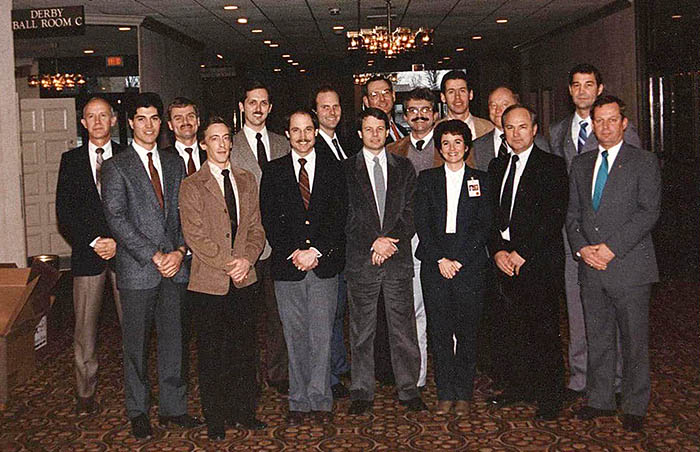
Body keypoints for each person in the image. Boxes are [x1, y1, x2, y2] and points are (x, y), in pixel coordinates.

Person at [101, 92, 200, 439]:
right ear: (130, 123)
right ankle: (138, 410)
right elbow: (116, 218)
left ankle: (174, 408)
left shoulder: (174, 163)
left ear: (162, 124)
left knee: (175, 341)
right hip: (138, 269)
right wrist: (154, 255)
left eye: (154, 118)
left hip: (175, 267)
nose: (148, 125)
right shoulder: (116, 166)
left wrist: (180, 251)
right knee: (136, 346)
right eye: (141, 119)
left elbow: (186, 214)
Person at [567, 95, 660, 433]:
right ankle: (599, 399)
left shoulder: (644, 161)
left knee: (634, 340)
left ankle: (635, 404)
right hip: (590, 265)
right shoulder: (581, 163)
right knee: (598, 336)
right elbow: (573, 215)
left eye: (611, 120)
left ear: (624, 123)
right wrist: (582, 250)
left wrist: (610, 249)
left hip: (629, 267)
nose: (605, 127)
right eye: (599, 121)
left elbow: (648, 212)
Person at [549, 64, 642, 400]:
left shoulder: (623, 132)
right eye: (577, 85)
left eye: (590, 85)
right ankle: (580, 378)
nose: (583, 91)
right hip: (574, 238)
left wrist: (610, 245)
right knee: (577, 310)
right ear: (569, 91)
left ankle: (615, 381)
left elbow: (635, 191)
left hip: (613, 245)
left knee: (613, 315)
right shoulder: (557, 131)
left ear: (600, 88)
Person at [179, 117, 267, 440]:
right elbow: (195, 235)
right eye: (214, 139)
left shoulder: (246, 180)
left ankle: (244, 412)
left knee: (244, 351)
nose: (221, 144)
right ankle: (215, 418)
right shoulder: (191, 185)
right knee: (212, 354)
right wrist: (230, 262)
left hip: (245, 279)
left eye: (226, 138)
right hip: (209, 283)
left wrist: (248, 259)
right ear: (203, 143)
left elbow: (257, 227)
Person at [260, 109, 347, 425]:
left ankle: (321, 401)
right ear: (287, 133)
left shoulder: (335, 169)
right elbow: (269, 220)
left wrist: (317, 251)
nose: (302, 136)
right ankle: (298, 401)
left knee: (322, 336)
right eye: (296, 130)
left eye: (308, 129)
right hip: (288, 267)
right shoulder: (273, 172)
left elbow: (340, 218)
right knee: (294, 337)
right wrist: (294, 252)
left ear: (315, 131)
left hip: (324, 266)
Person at [487, 105, 567, 421]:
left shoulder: (552, 166)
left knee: (544, 331)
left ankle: (549, 396)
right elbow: (490, 217)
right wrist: (497, 252)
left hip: (536, 262)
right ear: (503, 131)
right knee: (510, 329)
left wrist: (521, 253)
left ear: (534, 129)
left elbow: (552, 216)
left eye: (522, 127)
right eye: (510, 127)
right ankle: (519, 386)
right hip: (503, 260)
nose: (516, 133)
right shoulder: (496, 166)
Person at [344, 108, 427, 415]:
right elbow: (346, 216)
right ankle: (362, 391)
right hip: (362, 261)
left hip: (396, 259)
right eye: (369, 129)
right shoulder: (346, 169)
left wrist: (389, 241)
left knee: (403, 328)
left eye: (380, 128)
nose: (375, 134)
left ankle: (408, 389)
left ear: (387, 130)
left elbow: (410, 212)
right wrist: (373, 242)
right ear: (360, 133)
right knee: (362, 331)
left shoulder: (404, 167)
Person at [414, 119, 492, 415]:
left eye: (458, 142)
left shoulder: (481, 180)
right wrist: (440, 259)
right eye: (445, 143)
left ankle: (464, 392)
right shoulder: (426, 178)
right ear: (439, 147)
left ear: (467, 146)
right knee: (440, 331)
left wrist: (459, 259)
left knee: (468, 331)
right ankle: (445, 391)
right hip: (436, 264)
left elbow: (484, 225)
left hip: (469, 265)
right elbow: (422, 223)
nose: (452, 148)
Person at [56, 96, 125, 416]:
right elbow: (64, 213)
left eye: (103, 116)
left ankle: (136, 394)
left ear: (113, 120)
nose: (97, 122)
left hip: (127, 257)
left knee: (134, 328)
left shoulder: (127, 157)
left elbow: (140, 211)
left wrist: (118, 242)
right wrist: (96, 240)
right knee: (84, 331)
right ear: (83, 123)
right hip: (88, 255)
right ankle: (85, 393)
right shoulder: (69, 161)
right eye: (90, 117)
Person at [231, 80, 290, 395]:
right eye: (252, 102)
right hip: (245, 247)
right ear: (242, 107)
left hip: (279, 244)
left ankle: (278, 373)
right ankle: (250, 378)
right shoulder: (230, 145)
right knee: (246, 317)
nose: (257, 108)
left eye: (263, 102)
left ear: (270, 107)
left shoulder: (284, 143)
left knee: (279, 314)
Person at [387, 87, 443, 390]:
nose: (419, 115)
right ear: (405, 116)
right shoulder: (395, 150)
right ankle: (416, 377)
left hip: (446, 243)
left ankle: (453, 379)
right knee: (415, 311)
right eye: (412, 110)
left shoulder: (451, 145)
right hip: (409, 241)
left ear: (435, 113)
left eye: (425, 109)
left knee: (448, 311)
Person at [312, 85, 352, 399]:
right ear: (316, 112)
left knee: (337, 311)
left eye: (336, 106)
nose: (331, 112)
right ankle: (328, 375)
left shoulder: (346, 142)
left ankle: (337, 364)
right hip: (325, 246)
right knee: (325, 314)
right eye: (325, 107)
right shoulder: (313, 149)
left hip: (345, 245)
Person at [471, 86, 550, 172]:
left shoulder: (539, 143)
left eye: (505, 105)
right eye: (493, 105)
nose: (498, 110)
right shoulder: (478, 146)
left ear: (516, 106)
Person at [439, 70, 493, 140]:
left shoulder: (489, 128)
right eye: (451, 92)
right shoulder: (433, 132)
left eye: (462, 91)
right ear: (443, 97)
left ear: (470, 95)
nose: (457, 97)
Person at [362, 75, 408, 143]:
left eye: (386, 93)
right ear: (366, 101)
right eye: (374, 95)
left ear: (393, 96)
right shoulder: (365, 137)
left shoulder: (402, 131)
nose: (382, 99)